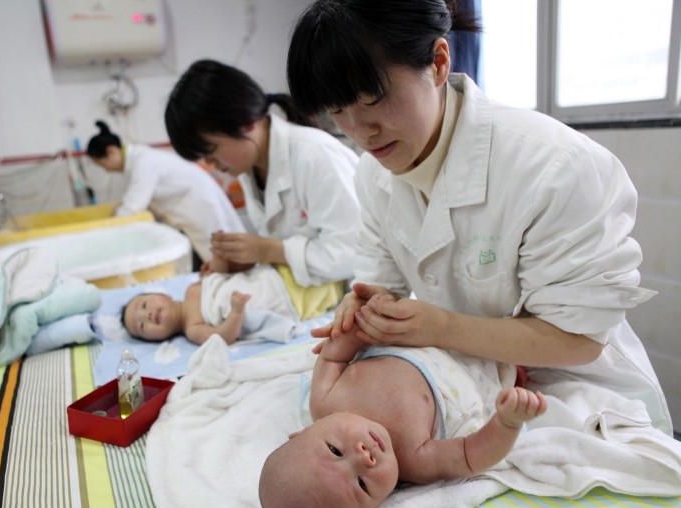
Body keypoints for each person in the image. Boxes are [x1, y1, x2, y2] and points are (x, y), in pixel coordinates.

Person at [285, 0, 673, 435]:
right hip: (471, 382)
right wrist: (368, 307)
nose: (360, 132)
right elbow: (384, 287)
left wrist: (442, 327)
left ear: (437, 62)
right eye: (337, 113)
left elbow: (579, 341)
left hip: (577, 393)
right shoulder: (372, 175)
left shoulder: (556, 166)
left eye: (374, 100)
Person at [258, 310, 548, 508]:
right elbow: (471, 455)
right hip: (492, 358)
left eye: (335, 451)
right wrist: (507, 422)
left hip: (428, 327)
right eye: (362, 485)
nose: (364, 457)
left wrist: (360, 323)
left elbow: (334, 354)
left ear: (301, 432)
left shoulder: (324, 399)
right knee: (536, 331)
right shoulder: (415, 460)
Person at [164, 59, 361, 296]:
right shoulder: (251, 168)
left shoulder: (315, 155)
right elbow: (285, 243)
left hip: (356, 295)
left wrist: (268, 250)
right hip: (312, 297)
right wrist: (244, 261)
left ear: (245, 122)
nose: (210, 164)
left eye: (212, 150)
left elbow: (351, 254)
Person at [86, 120, 246, 268]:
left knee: (225, 259)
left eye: (102, 164)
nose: (105, 169)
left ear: (111, 151)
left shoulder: (143, 162)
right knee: (217, 259)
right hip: (193, 210)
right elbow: (133, 199)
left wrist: (106, 228)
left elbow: (133, 206)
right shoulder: (138, 160)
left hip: (201, 208)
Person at [121, 254, 309, 345]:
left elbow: (219, 276)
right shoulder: (192, 329)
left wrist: (216, 262)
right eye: (142, 326)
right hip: (284, 300)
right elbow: (224, 336)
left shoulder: (192, 289)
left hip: (270, 276)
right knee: (330, 292)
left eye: (144, 305)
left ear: (163, 295)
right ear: (157, 339)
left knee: (313, 267)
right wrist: (236, 313)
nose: (148, 315)